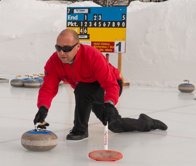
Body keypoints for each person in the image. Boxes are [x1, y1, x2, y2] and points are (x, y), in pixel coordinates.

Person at [33, 29, 167, 140]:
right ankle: (146, 122)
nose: (61, 53)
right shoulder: (53, 62)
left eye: (67, 48)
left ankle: (80, 130)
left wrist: (109, 102)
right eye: (58, 48)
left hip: (111, 83)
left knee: (82, 90)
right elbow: (48, 88)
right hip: (87, 90)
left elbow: (110, 84)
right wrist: (43, 107)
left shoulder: (92, 56)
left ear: (78, 46)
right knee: (114, 124)